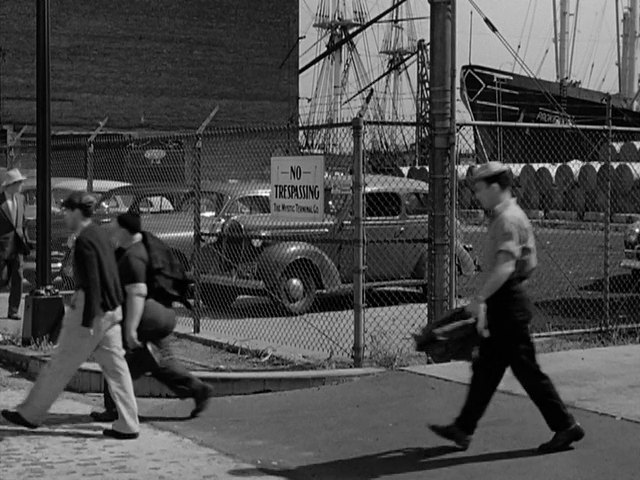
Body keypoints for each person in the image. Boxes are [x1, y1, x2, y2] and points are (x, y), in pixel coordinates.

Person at [429, 162, 585, 454]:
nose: (476, 196)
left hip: (509, 302)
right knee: (487, 369)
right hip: (506, 301)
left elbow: (505, 266)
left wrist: (480, 300)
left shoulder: (507, 220)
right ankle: (463, 428)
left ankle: (565, 426)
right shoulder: (504, 216)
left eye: (479, 189)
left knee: (526, 371)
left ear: (495, 187)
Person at [1, 191, 140, 440]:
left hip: (91, 309)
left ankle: (31, 414)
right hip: (111, 308)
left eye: (67, 211)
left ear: (77, 212)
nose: (64, 215)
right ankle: (129, 423)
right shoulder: (100, 234)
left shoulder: (85, 240)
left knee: (60, 365)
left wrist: (88, 320)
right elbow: (110, 273)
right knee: (117, 369)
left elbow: (93, 281)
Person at [90, 212, 212, 422]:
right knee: (160, 363)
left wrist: (130, 329)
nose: (111, 229)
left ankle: (115, 409)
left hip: (146, 318)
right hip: (160, 315)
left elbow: (137, 293)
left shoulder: (133, 257)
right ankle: (196, 389)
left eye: (114, 226)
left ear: (124, 231)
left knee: (116, 361)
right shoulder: (141, 246)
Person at [0, 168, 31, 319]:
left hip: (17, 244)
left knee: (18, 276)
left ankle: (13, 310)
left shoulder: (21, 199)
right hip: (2, 246)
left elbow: (23, 221)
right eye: (18, 183)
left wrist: (25, 239)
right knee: (2, 278)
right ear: (10, 185)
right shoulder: (1, 200)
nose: (21, 185)